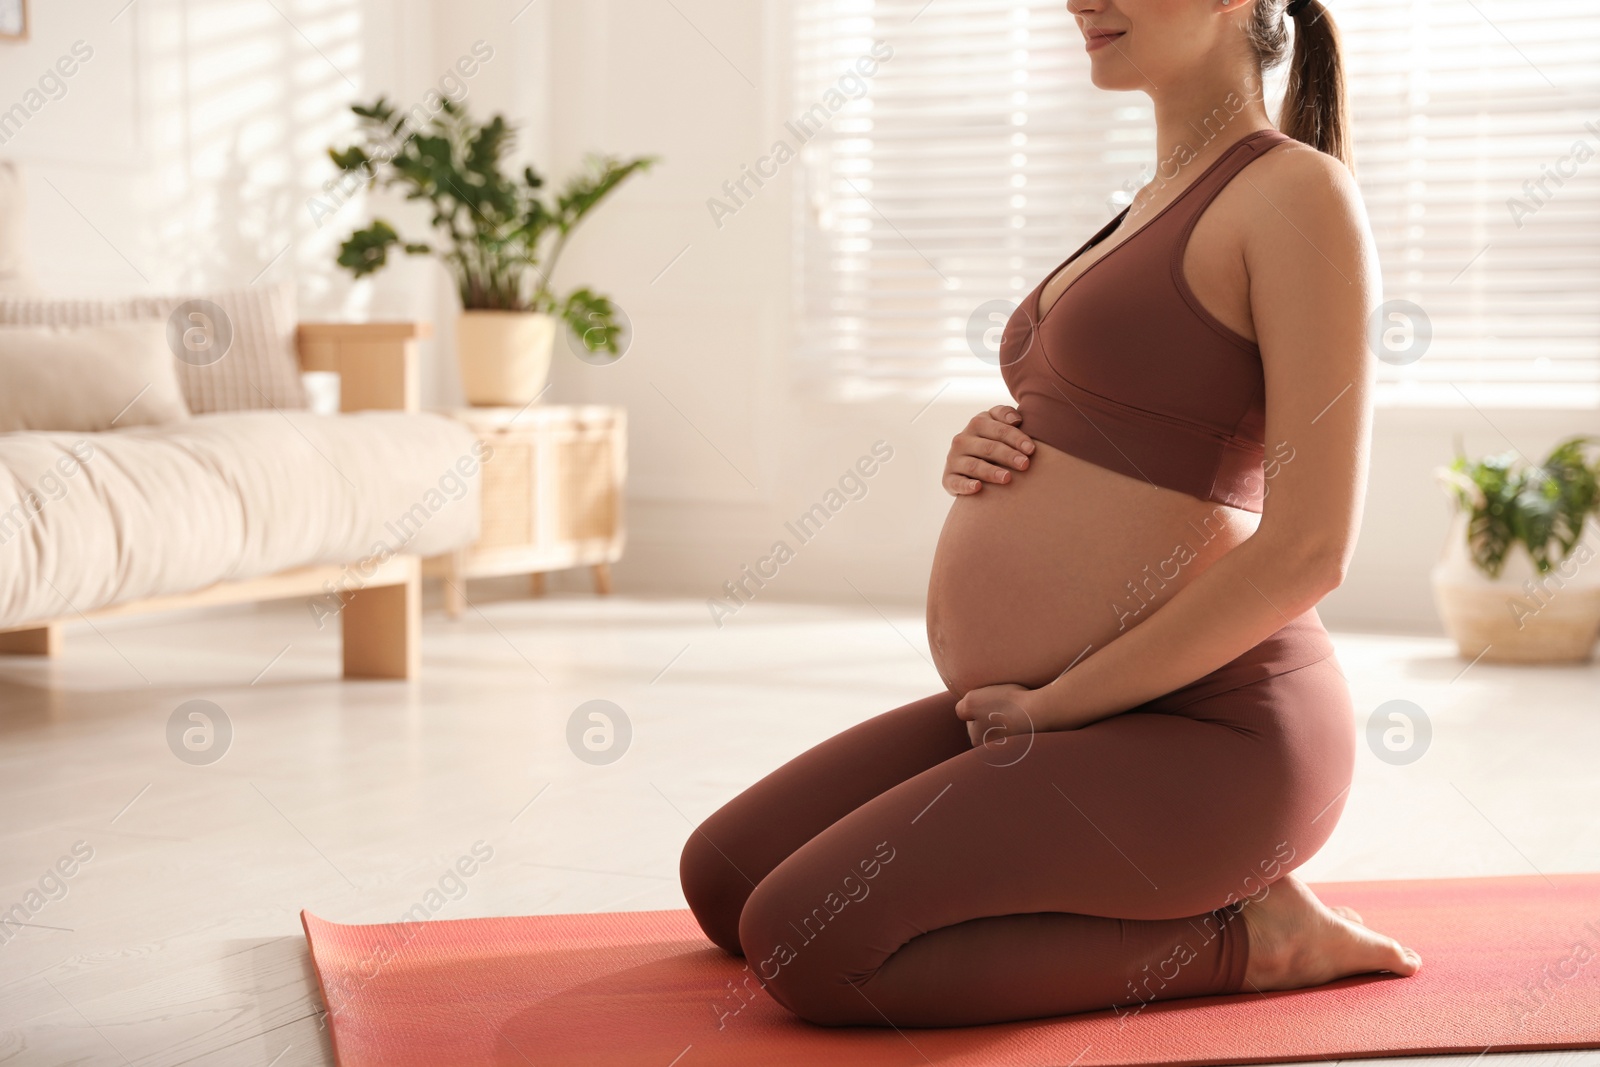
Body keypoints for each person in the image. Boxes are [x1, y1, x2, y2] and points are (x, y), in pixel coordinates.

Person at [681, 0, 1421, 1028]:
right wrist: (1001, 436)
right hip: (1076, 707)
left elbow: (1310, 548)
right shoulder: (1150, 200)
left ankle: (1256, 937)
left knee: (808, 940)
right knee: (721, 877)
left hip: (1217, 733)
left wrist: (1058, 705)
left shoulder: (1296, 192)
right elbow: (1128, 422)